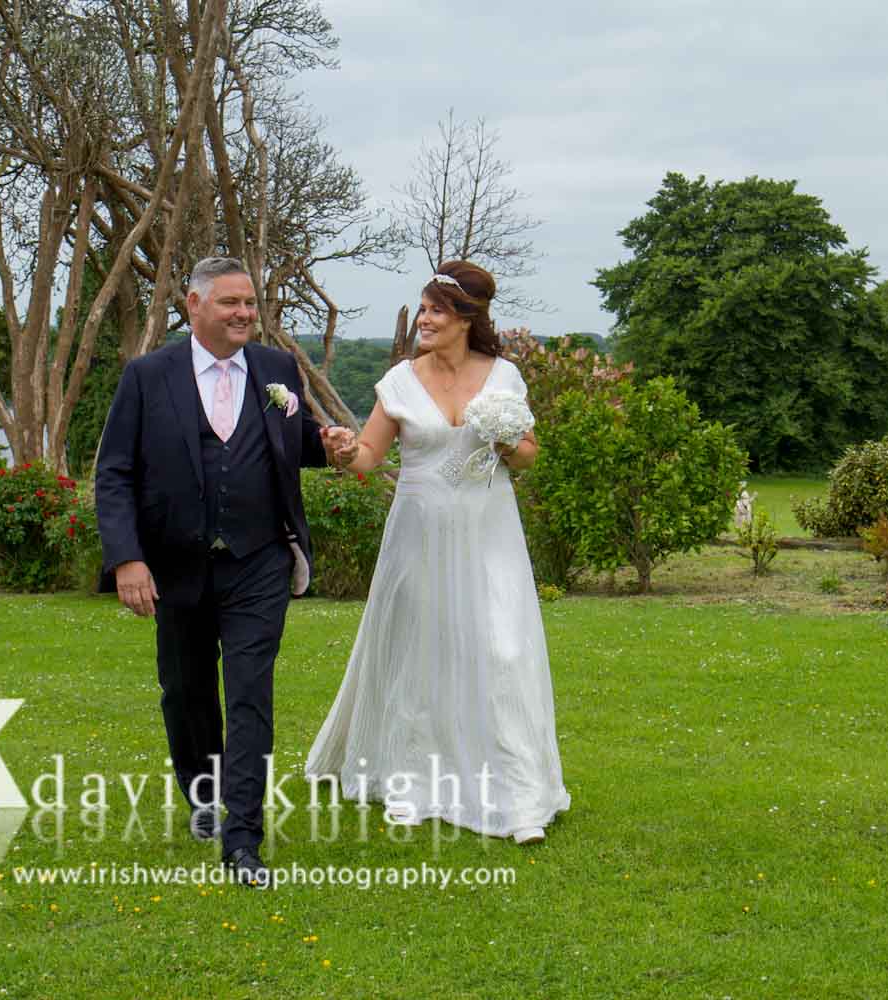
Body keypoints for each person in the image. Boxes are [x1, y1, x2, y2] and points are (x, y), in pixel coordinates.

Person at [95, 257, 351, 885]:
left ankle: (242, 838)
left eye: (250, 304)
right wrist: (128, 558)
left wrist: (327, 444)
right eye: (231, 302)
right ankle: (203, 796)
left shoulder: (275, 370)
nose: (244, 314)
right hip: (175, 565)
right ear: (194, 304)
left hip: (258, 560)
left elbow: (291, 442)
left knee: (249, 694)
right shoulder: (148, 376)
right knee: (185, 694)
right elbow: (116, 473)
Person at [305, 260, 570, 844]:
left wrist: (505, 438)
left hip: (489, 534)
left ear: (467, 318)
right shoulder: (401, 380)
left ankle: (519, 794)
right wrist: (343, 449)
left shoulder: (504, 376)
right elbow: (368, 460)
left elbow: (528, 456)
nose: (424, 319)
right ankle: (412, 783)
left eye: (437, 310)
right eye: (423, 308)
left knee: (501, 651)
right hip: (419, 536)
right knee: (419, 656)